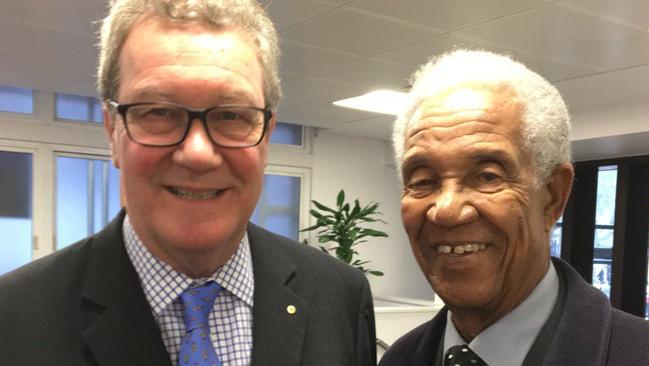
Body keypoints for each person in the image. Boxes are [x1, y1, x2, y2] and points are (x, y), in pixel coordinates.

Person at [0, 1, 376, 365]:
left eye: (231, 115)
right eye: (159, 112)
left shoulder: (339, 295)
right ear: (113, 131)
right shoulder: (14, 317)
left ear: (266, 136)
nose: (198, 153)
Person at [379, 50, 649, 366]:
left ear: (553, 196)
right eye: (423, 180)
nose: (446, 210)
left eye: (487, 176)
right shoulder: (399, 358)